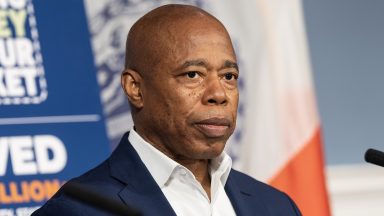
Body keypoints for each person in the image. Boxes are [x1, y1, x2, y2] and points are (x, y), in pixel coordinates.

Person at [33, 4, 301, 216]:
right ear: (135, 88)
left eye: (229, 76)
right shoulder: (77, 210)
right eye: (193, 74)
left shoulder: (276, 206)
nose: (218, 94)